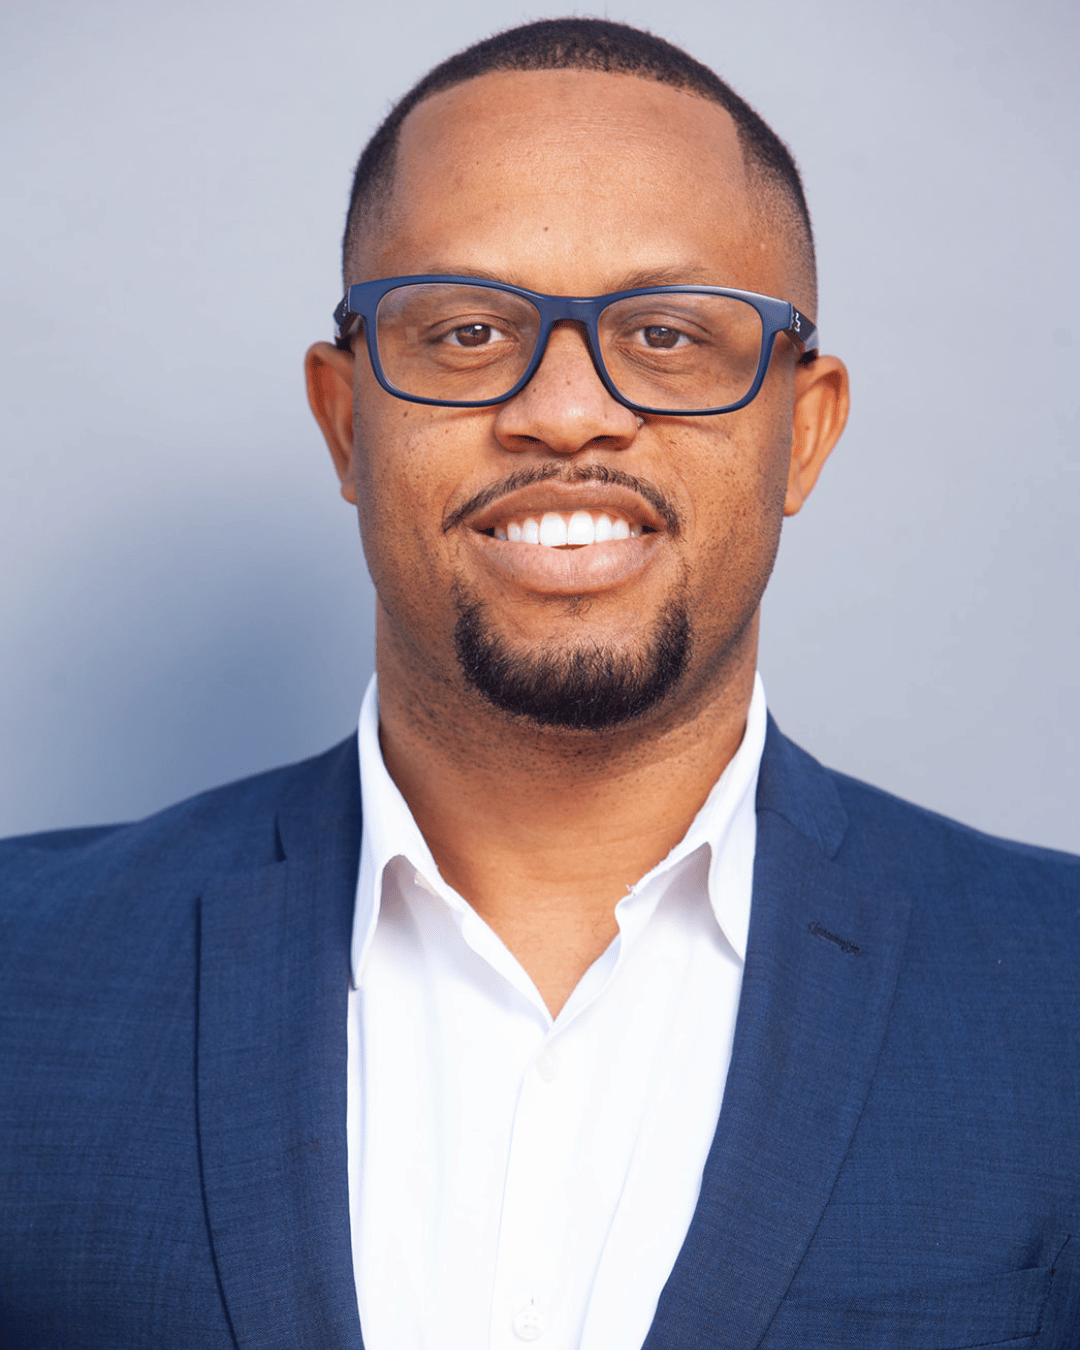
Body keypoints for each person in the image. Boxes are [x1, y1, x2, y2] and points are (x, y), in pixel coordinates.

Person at [1, 16, 1077, 1349]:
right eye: (464, 330)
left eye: (672, 336)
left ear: (803, 432)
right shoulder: (19, 974)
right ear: (347, 421)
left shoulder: (1059, 996)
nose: (566, 412)